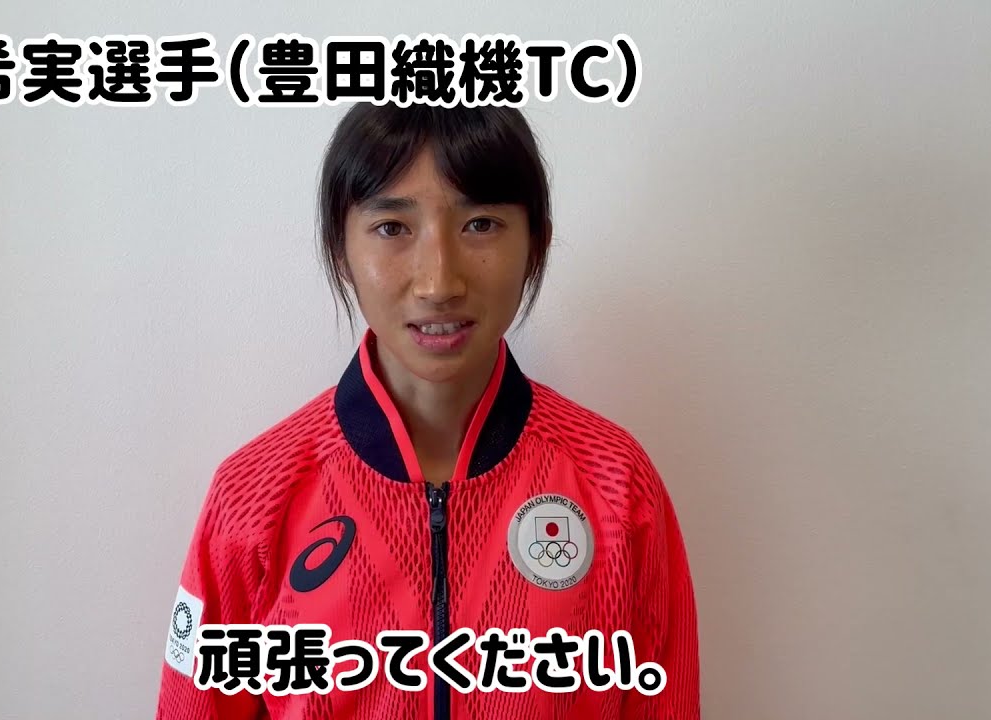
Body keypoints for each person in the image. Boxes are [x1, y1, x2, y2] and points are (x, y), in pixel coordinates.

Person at [156, 102, 700, 719]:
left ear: (536, 243)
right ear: (340, 248)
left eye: (482, 224)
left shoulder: (617, 485)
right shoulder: (253, 497)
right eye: (393, 227)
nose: (439, 282)